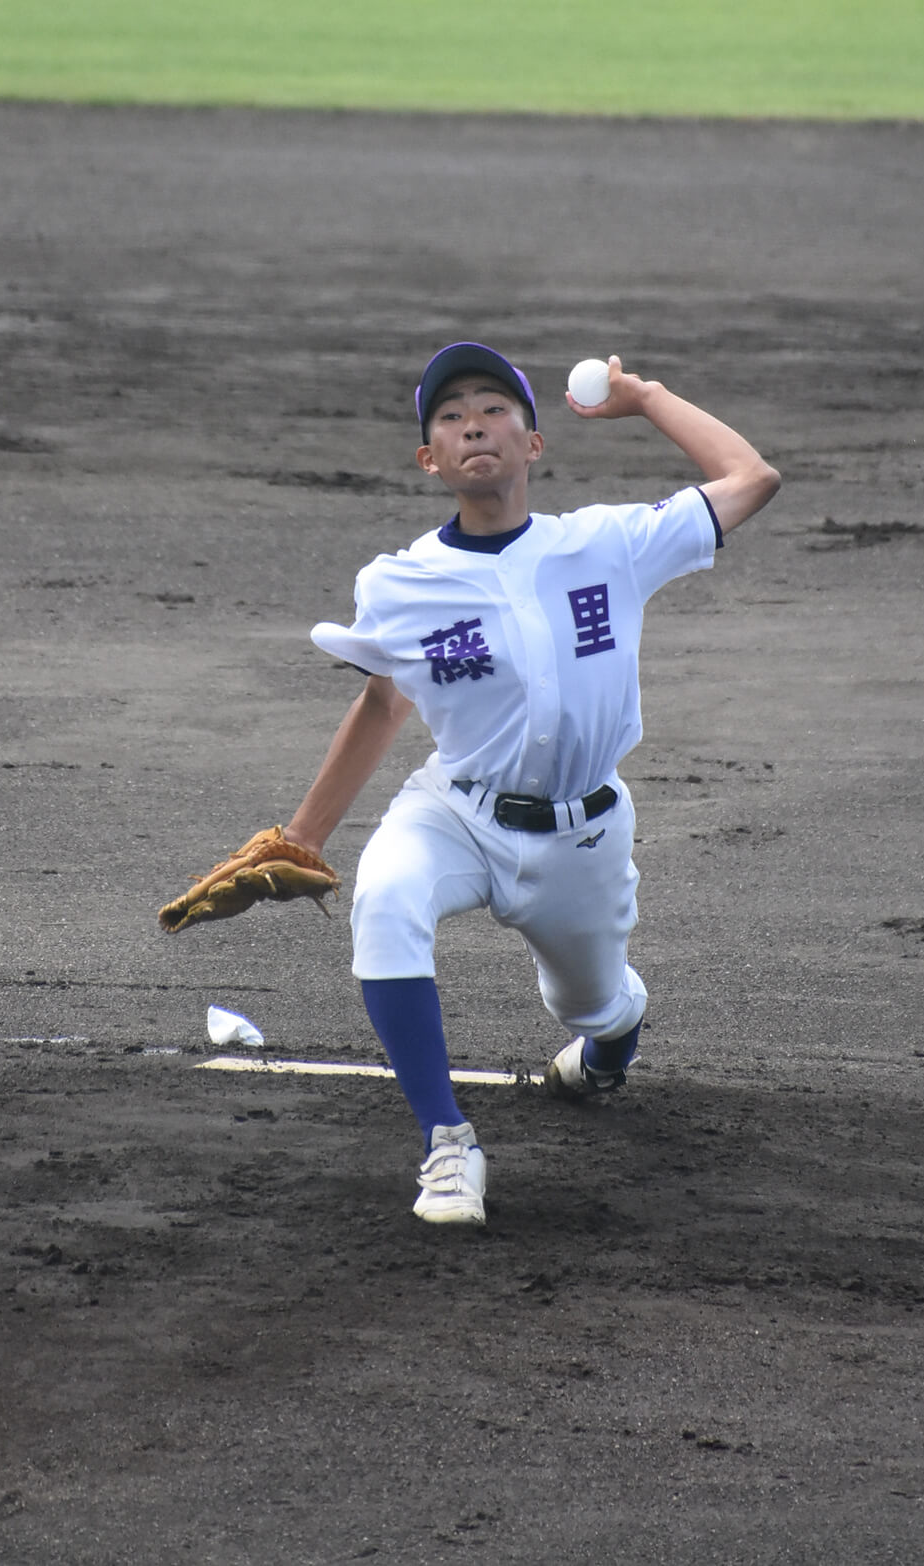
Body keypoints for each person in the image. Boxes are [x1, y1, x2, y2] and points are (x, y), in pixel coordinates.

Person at [284, 343, 780, 1226]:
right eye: (449, 415)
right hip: (458, 813)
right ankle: (447, 1143)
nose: (473, 421)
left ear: (534, 442)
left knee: (592, 1005)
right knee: (386, 898)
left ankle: (609, 1042)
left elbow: (751, 477)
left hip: (583, 835)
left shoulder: (609, 544)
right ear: (430, 459)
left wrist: (647, 397)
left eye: (493, 406)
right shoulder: (399, 584)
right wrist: (305, 835)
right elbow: (382, 703)